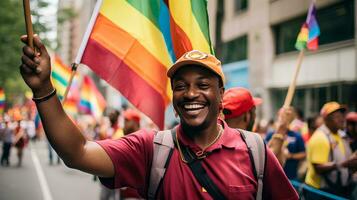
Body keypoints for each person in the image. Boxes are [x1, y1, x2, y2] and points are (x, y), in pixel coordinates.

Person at [20, 35, 298, 199]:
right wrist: (44, 88)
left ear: (220, 94)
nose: (190, 94)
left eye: (202, 85)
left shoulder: (255, 151)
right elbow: (77, 153)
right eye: (180, 86)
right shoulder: (150, 149)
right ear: (173, 99)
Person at [305, 102, 357, 198]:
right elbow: (318, 168)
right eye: (337, 117)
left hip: (338, 190)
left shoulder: (341, 135)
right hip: (321, 192)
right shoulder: (320, 137)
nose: (342, 119)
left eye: (342, 115)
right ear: (326, 119)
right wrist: (343, 164)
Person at [265, 107, 306, 180]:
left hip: (291, 177)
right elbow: (265, 152)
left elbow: (303, 153)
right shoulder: (271, 134)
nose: (285, 118)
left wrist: (291, 156)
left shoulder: (296, 135)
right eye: (283, 116)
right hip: (273, 177)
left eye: (288, 116)